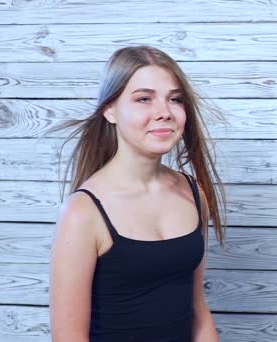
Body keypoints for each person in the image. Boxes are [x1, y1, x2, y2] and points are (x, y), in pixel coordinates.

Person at [48, 46, 226, 342]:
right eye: (144, 99)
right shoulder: (83, 212)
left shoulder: (194, 194)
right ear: (110, 109)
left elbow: (197, 310)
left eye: (175, 99)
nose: (164, 113)